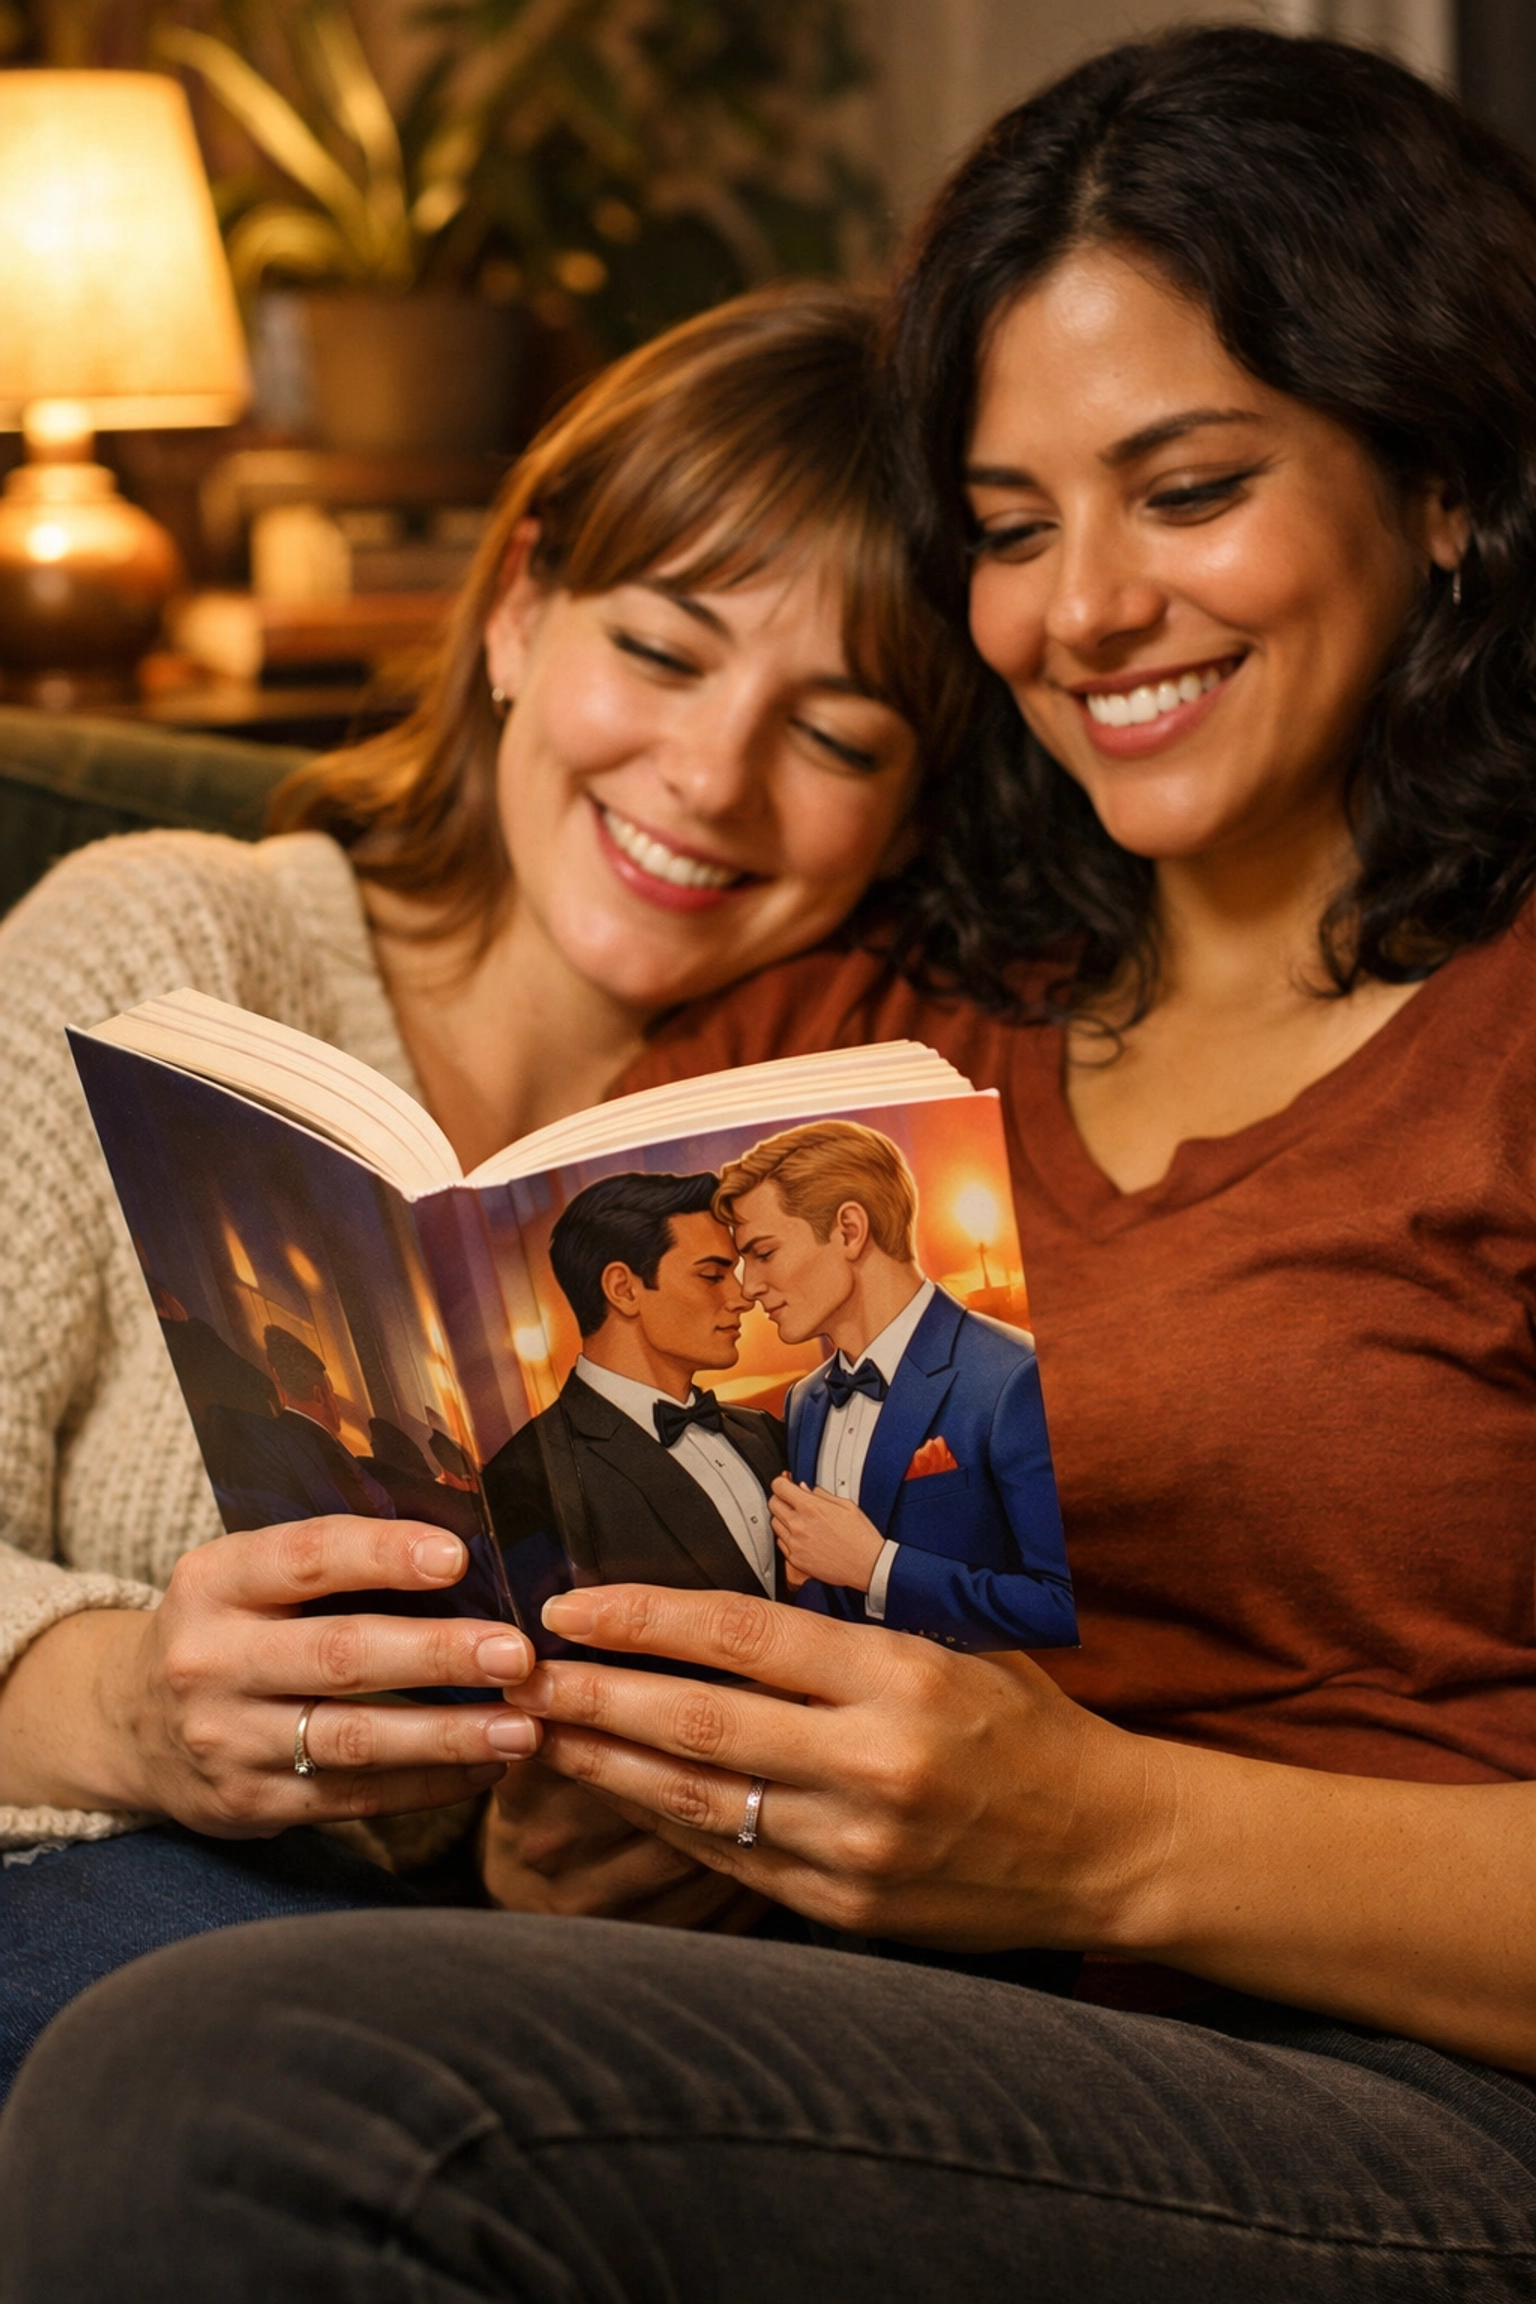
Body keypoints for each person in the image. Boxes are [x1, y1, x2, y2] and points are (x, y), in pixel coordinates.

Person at [19, 27, 1536, 2300]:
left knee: (251, 2072)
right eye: (1009, 532)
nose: (1082, 610)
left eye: (1185, 488)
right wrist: (598, 1830)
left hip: (1393, 2088)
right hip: (867, 2037)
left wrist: (1110, 1841)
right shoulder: (855, 1029)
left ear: (1438, 480)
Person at [0, 283, 975, 2097]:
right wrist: (133, 1704)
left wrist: (598, 1846)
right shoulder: (167, 942)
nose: (708, 774)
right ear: (521, 606)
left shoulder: (831, 1161)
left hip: (521, 2016)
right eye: (665, 651)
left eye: (835, 736)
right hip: (89, 1895)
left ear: (913, 806)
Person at [714, 1118, 1072, 1648]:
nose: (750, 1287)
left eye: (763, 1253)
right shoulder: (807, 1400)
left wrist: (876, 1567)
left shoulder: (1012, 1376)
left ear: (849, 1231)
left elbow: (1066, 1609)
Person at [481, 1170, 787, 1628]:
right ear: (623, 1289)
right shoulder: (525, 1478)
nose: (742, 1296)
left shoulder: (762, 1431)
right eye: (711, 1275)